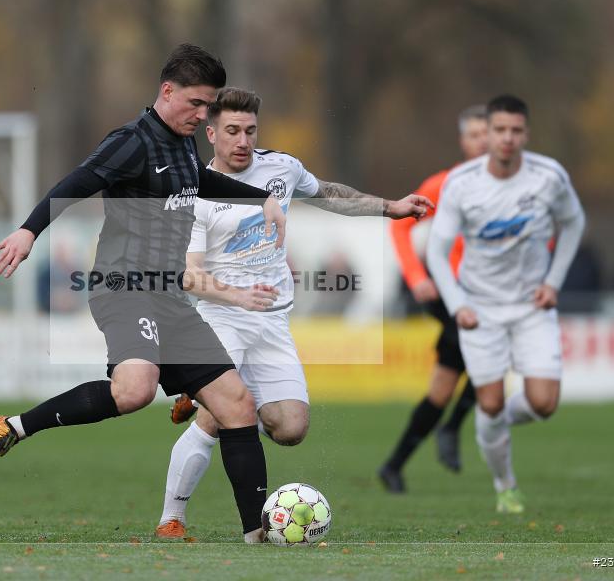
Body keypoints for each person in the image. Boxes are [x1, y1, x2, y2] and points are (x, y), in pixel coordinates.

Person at [0, 45, 288, 543]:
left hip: (168, 296)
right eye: (196, 104)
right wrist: (29, 231)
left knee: (237, 406)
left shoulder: (182, 141)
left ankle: (258, 535)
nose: (202, 115)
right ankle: (11, 427)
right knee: (135, 389)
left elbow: (199, 179)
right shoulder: (132, 142)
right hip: (124, 287)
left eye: (209, 107)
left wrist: (263, 197)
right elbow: (76, 182)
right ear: (167, 92)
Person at [155, 87, 432, 538]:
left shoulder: (281, 168)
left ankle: (196, 391)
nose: (242, 140)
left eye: (249, 130)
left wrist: (390, 208)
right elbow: (188, 276)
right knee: (222, 414)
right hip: (219, 318)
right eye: (231, 131)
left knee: (290, 427)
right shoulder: (194, 194)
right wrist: (237, 296)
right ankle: (173, 516)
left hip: (273, 320)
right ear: (210, 134)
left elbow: (328, 194)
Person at [427, 95, 585, 513]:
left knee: (544, 403)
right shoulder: (461, 183)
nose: (508, 138)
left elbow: (574, 222)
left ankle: (490, 424)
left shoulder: (548, 176)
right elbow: (437, 252)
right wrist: (457, 302)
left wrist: (553, 281)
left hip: (533, 305)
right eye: (500, 130)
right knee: (492, 401)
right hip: (480, 309)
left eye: (516, 130)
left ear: (525, 134)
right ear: (489, 132)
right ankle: (505, 485)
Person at [378, 105, 488, 493]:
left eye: (487, 133)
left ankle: (393, 465)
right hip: (448, 293)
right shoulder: (445, 183)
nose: (483, 141)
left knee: (443, 385)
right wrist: (417, 276)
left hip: (489, 296)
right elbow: (401, 228)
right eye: (474, 134)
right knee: (489, 352)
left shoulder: (515, 187)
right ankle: (453, 428)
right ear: (463, 141)